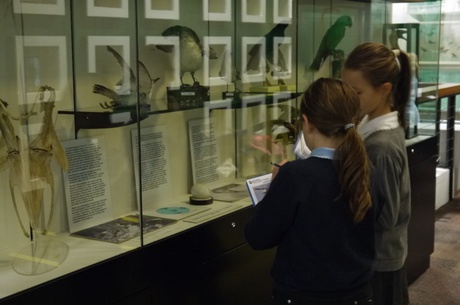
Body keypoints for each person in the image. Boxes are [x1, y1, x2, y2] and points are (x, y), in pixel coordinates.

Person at [245, 78, 376, 305]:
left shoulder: (295, 176)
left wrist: (273, 191)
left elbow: (259, 237)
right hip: (358, 294)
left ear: (307, 123)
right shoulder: (367, 170)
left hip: (301, 296)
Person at [342, 42, 412, 305]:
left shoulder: (380, 147)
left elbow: (384, 216)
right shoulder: (366, 126)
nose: (348, 99)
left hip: (379, 261)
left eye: (356, 92)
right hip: (373, 256)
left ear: (384, 90)